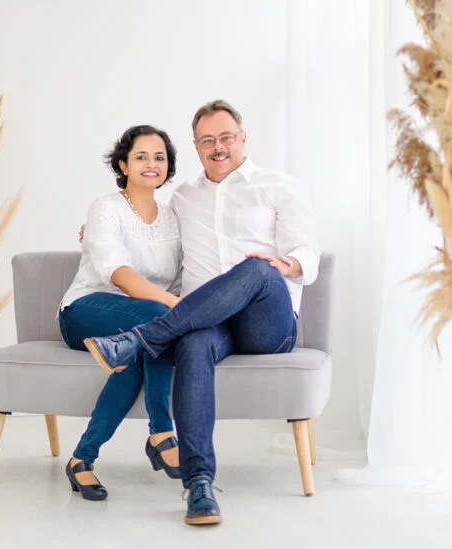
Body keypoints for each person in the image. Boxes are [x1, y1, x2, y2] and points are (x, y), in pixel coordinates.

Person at [84, 100, 321, 525]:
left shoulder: (278, 186)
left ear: (242, 139)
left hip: (268, 321)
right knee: (192, 345)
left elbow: (308, 252)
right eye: (208, 140)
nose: (218, 146)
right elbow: (148, 232)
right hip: (208, 322)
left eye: (226, 137)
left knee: (256, 267)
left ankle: (141, 339)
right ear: (196, 147)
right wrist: (97, 231)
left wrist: (285, 265)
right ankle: (198, 485)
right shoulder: (183, 199)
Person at [59, 125, 183, 501]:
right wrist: (172, 306)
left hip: (140, 325)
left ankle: (82, 459)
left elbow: (179, 276)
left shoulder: (174, 217)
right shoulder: (105, 208)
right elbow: (119, 275)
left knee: (140, 351)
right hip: (87, 310)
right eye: (141, 156)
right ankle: (162, 431)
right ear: (123, 164)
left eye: (159, 157)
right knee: (158, 323)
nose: (151, 164)